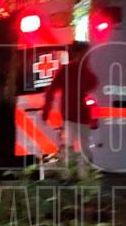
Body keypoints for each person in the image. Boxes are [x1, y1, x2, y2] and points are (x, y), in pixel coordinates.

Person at [42, 41, 99, 173]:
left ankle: (79, 175)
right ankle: (76, 175)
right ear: (77, 53)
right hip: (72, 116)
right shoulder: (71, 71)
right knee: (74, 149)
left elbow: (93, 91)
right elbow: (51, 91)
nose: (86, 55)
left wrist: (46, 110)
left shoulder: (84, 72)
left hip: (80, 117)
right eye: (84, 53)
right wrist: (46, 110)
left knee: (80, 149)